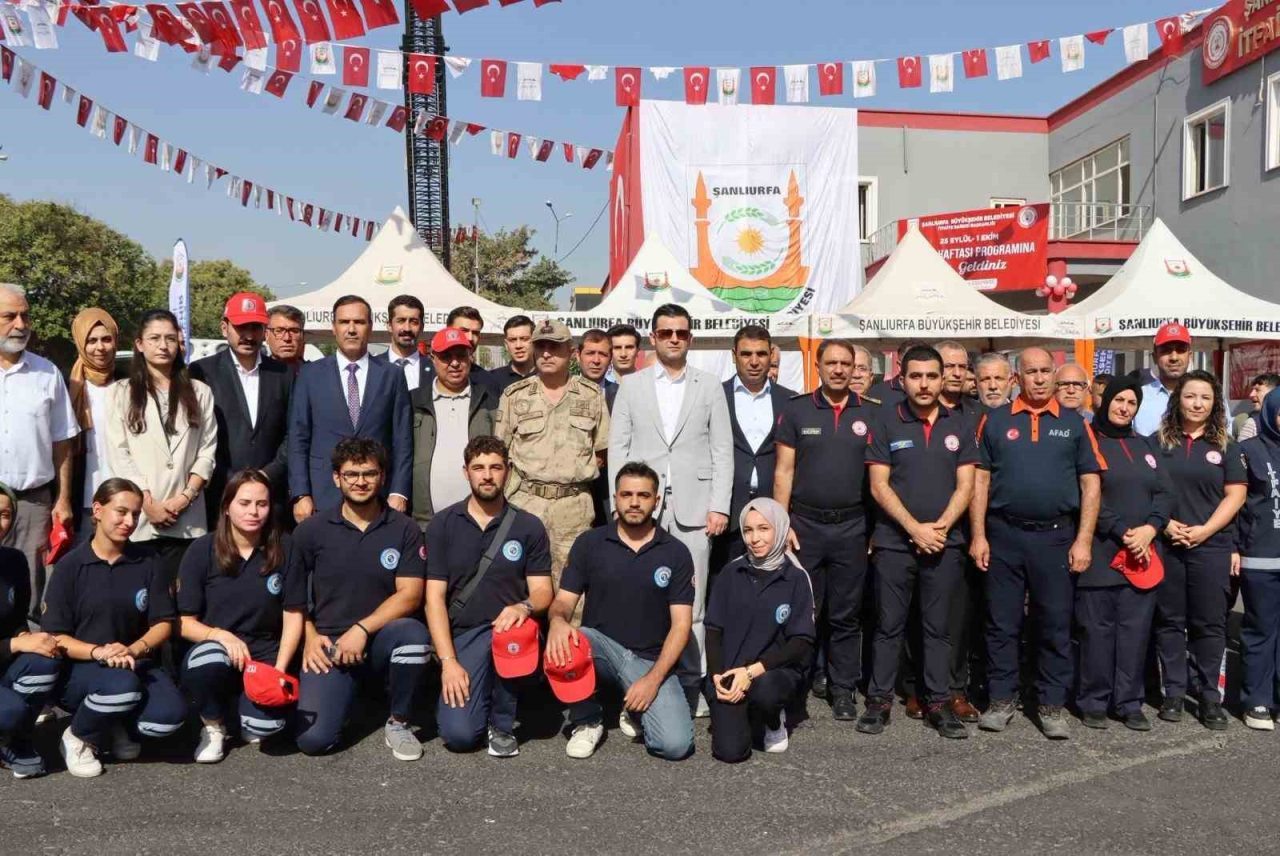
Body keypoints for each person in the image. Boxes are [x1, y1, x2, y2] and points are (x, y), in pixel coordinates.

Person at [970, 347, 1103, 740]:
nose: (1041, 379)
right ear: (1018, 378)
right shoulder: (993, 422)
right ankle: (1001, 699)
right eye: (1032, 372)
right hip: (1004, 536)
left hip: (1056, 538)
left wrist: (1084, 540)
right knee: (1002, 623)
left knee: (1055, 624)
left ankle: (1051, 704)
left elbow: (1090, 483)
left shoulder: (1075, 424)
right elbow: (980, 481)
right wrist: (978, 535)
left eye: (1047, 371)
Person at [609, 304, 732, 713]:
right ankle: (638, 683)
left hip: (695, 511)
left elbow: (721, 450)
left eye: (681, 332)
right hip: (642, 507)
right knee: (640, 598)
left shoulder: (710, 385)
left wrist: (720, 506)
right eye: (666, 333)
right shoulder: (632, 385)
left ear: (690, 338)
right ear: (654, 338)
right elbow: (618, 450)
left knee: (692, 603)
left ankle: (691, 686)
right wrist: (618, 501)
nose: (674, 339)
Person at [292, 438, 431, 760]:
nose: (360, 482)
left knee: (413, 636)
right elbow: (293, 597)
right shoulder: (310, 531)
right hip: (329, 644)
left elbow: (410, 595)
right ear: (336, 478)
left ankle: (399, 722)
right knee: (314, 742)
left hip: (380, 638)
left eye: (369, 473)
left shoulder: (405, 529)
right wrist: (310, 637)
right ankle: (347, 698)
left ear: (382, 476)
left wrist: (362, 630)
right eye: (351, 474)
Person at [863, 345, 976, 739]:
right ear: (903, 377)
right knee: (888, 626)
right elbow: (878, 485)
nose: (924, 384)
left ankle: (939, 704)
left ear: (943, 378)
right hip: (896, 543)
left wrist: (940, 528)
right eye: (916, 376)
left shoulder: (959, 424)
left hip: (946, 543)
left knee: (939, 628)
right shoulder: (885, 420)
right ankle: (879, 703)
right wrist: (914, 529)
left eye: (932, 376)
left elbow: (967, 485)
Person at [546, 462, 695, 761]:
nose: (635, 502)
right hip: (600, 651)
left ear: (657, 500)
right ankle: (587, 719)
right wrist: (557, 621)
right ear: (615, 498)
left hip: (650, 661)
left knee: (675, 745)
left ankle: (635, 709)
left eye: (643, 495)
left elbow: (681, 625)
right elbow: (562, 601)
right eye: (627, 494)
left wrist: (652, 681)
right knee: (574, 638)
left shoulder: (676, 553)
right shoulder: (590, 543)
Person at [43, 478, 188, 778]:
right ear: (97, 510)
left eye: (135, 514)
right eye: (121, 512)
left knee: (168, 719)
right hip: (82, 669)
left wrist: (133, 649)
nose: (129, 521)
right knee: (121, 687)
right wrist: (99, 652)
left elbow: (163, 623)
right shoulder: (70, 567)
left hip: (135, 663)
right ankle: (79, 736)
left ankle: (113, 722)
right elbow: (55, 636)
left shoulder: (149, 562)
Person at [424, 437, 553, 757]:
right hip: (463, 636)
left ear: (507, 471)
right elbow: (434, 600)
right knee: (460, 737)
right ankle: (463, 697)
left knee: (515, 632)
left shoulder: (528, 526)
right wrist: (449, 662)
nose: (487, 475)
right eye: (478, 468)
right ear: (465, 472)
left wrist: (523, 606)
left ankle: (502, 723)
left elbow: (543, 591)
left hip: (508, 633)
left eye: (495, 467)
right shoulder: (443, 524)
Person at [773, 339, 876, 721]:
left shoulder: (873, 414)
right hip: (805, 526)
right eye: (830, 362)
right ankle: (798, 685)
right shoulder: (797, 411)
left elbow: (881, 479)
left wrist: (875, 530)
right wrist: (781, 525)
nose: (838, 369)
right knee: (804, 612)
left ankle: (843, 687)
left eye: (845, 364)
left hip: (852, 526)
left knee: (846, 615)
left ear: (855, 369)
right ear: (818, 366)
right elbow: (784, 471)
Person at [178, 470, 305, 762]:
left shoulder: (285, 546)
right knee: (207, 660)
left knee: (266, 727)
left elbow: (293, 613)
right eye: (244, 503)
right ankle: (213, 725)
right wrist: (219, 635)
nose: (253, 511)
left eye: (261, 504)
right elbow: (183, 623)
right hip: (217, 649)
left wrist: (280, 671)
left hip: (264, 650)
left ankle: (241, 710)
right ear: (226, 506)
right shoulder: (201, 550)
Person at [1075, 376, 1171, 732]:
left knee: (1134, 632)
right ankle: (1094, 701)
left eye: (1131, 403)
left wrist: (1150, 529)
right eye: (1119, 400)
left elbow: (1164, 492)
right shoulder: (1088, 441)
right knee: (1097, 632)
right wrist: (1120, 530)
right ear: (1106, 401)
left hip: (1143, 553)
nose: (1124, 408)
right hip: (1101, 553)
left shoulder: (1145, 444)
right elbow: (1086, 494)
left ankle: (1129, 702)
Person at [1152, 369, 1246, 729]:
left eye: (1205, 397)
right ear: (1178, 400)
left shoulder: (1226, 446)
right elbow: (1146, 491)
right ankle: (1173, 693)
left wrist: (1205, 531)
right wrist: (1164, 524)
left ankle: (1209, 698)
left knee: (1210, 625)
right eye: (1191, 396)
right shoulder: (1156, 443)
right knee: (1171, 622)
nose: (1197, 403)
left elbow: (1235, 495)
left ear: (1215, 404)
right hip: (1168, 545)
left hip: (1211, 547)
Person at [497, 320, 608, 612]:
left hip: (573, 508)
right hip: (525, 504)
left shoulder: (592, 395)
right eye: (541, 347)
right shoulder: (514, 396)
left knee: (573, 594)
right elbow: (501, 453)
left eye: (554, 347)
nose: (546, 354)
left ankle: (569, 657)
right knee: (518, 586)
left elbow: (603, 452)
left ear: (571, 352)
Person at [105, 309, 218, 583]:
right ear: (140, 344)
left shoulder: (199, 392)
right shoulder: (121, 392)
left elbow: (207, 450)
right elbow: (119, 454)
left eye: (169, 338)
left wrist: (184, 498)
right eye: (154, 338)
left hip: (187, 517)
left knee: (184, 598)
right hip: (141, 518)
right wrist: (147, 503)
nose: (163, 345)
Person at [705, 498, 815, 762]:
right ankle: (747, 714)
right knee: (729, 752)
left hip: (772, 672)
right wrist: (718, 677)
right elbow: (713, 630)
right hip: (733, 670)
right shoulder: (731, 573)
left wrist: (751, 672)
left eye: (764, 529)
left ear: (779, 529)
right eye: (748, 530)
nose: (755, 538)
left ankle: (773, 719)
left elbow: (801, 642)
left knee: (766, 691)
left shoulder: (797, 578)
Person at [288, 295, 412, 522]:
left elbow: (402, 439)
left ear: (371, 327)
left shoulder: (391, 375)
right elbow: (298, 438)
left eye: (359, 322)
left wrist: (399, 491)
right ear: (334, 328)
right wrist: (300, 493)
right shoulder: (310, 375)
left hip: (378, 498)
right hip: (322, 497)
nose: (352, 329)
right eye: (345, 322)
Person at [0, 283, 79, 624]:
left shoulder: (47, 374)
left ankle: (28, 668)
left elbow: (63, 441)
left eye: (25, 316)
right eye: (9, 316)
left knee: (30, 590)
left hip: (33, 504)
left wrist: (62, 500)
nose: (21, 325)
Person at [188, 293, 293, 530]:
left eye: (255, 327)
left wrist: (269, 475)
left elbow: (293, 433)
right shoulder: (202, 372)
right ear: (224, 328)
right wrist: (233, 481)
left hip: (270, 499)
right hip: (220, 497)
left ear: (264, 331)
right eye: (241, 327)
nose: (248, 335)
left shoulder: (283, 375)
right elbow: (198, 436)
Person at [719, 325, 794, 574]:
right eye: (746, 354)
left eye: (761, 354)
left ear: (771, 355)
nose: (753, 361)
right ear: (733, 355)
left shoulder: (790, 400)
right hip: (727, 511)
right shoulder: (715, 396)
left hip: (772, 509)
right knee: (725, 582)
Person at [0, 482, 62, 778]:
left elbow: (17, 620)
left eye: (5, 514)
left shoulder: (13, 561)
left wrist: (26, 637)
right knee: (10, 711)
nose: (1, 523)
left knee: (44, 657)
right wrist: (15, 645)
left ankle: (15, 741)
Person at [410, 327, 497, 527]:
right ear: (432, 358)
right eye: (446, 357)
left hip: (480, 520)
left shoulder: (489, 401)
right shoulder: (413, 401)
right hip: (425, 523)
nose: (455, 363)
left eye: (461, 356)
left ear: (470, 358)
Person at [1238, 388, 1280, 730]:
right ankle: (1257, 701)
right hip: (1261, 560)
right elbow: (1238, 507)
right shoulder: (1248, 451)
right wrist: (1236, 549)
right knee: (1260, 631)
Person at [67, 308, 121, 541]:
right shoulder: (68, 387)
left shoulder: (128, 383)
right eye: (91, 340)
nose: (100, 347)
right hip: (83, 497)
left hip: (122, 495)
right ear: (80, 343)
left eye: (106, 339)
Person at [1134, 323, 1192, 436]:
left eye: (1180, 350)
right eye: (1166, 351)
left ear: (1190, 356)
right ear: (1155, 357)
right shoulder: (1138, 397)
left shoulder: (1211, 397)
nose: (1174, 358)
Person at [376, 295, 428, 392]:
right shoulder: (372, 367)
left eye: (414, 322)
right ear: (389, 325)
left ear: (421, 327)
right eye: (401, 321)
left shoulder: (434, 368)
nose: (407, 328)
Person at [867, 339, 929, 409]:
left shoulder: (934, 390)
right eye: (913, 363)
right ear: (899, 366)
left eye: (924, 362)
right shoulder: (877, 394)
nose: (919, 367)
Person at [491, 316, 536, 391]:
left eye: (524, 339)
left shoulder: (546, 377)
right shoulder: (492, 380)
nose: (518, 346)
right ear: (506, 344)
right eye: (512, 340)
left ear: (534, 341)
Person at [577, 329, 617, 410]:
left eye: (603, 354)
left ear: (610, 359)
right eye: (590, 353)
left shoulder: (622, 394)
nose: (596, 360)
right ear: (578, 356)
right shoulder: (562, 392)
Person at [1236, 374, 1280, 442]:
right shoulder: (1251, 423)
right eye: (1252, 390)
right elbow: (1242, 451)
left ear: (1273, 392)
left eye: (1257, 390)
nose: (1251, 395)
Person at [265, 305, 307, 375]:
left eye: (294, 331)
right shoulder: (256, 376)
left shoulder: (317, 375)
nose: (287, 338)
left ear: (303, 336)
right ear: (266, 336)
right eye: (279, 331)